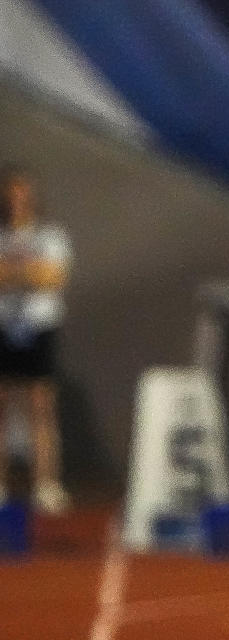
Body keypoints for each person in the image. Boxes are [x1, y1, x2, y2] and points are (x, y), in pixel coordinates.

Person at [0, 165, 72, 514]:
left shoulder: (51, 236)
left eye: (23, 193)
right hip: (3, 325)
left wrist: (13, 272)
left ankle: (46, 484)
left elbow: (53, 277)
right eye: (12, 194)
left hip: (39, 326)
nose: (18, 200)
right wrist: (28, 272)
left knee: (41, 404)